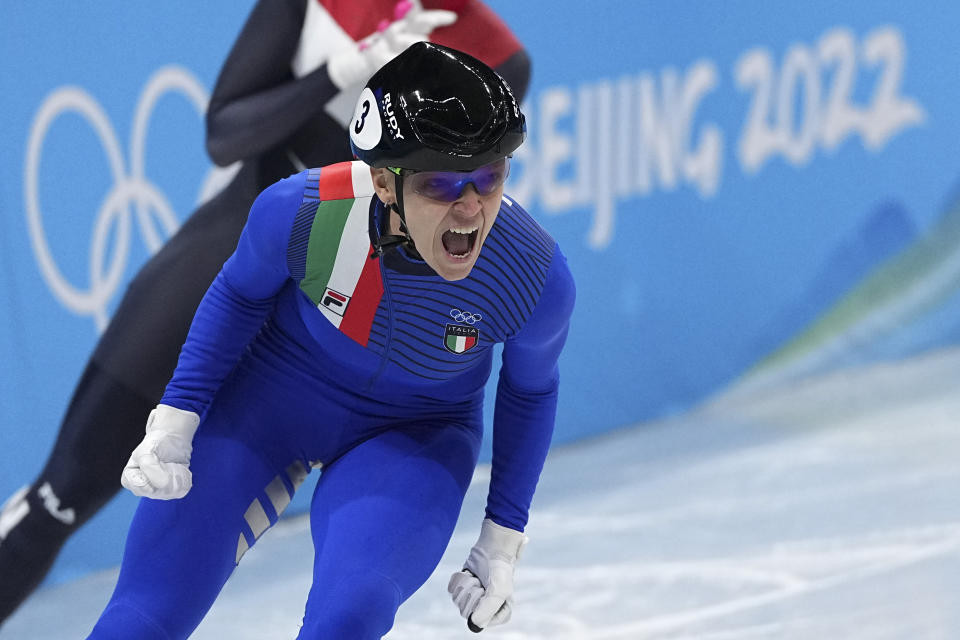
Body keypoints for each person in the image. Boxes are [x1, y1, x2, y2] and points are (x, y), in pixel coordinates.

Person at [0, 0, 531, 627]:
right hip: (225, 264)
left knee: (349, 596)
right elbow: (225, 134)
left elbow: (447, 214)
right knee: (62, 498)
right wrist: (338, 74)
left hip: (337, 322)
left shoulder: (497, 58)